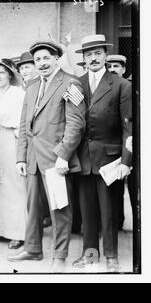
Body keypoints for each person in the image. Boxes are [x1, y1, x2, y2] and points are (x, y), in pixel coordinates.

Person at [7, 40, 86, 273]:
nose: (41, 63)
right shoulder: (31, 87)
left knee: (59, 209)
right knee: (33, 207)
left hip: (56, 160)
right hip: (32, 159)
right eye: (38, 59)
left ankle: (59, 256)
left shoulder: (71, 84)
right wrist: (21, 157)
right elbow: (24, 126)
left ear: (56, 59)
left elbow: (76, 124)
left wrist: (63, 156)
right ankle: (33, 249)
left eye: (46, 58)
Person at [72, 35, 132, 272]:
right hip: (83, 158)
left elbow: (128, 126)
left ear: (105, 56)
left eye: (97, 53)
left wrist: (126, 161)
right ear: (84, 59)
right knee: (87, 212)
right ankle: (90, 253)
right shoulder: (76, 84)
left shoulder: (121, 85)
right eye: (88, 55)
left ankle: (111, 256)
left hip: (110, 159)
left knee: (109, 210)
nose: (93, 58)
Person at [0, 59, 27, 250]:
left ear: (10, 75)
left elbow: (19, 118)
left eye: (2, 72)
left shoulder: (18, 93)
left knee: (14, 184)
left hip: (10, 137)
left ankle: (17, 232)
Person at [106, 54, 129, 231]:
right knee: (112, 188)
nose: (112, 70)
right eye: (110, 66)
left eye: (116, 66)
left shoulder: (128, 88)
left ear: (123, 69)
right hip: (111, 147)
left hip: (129, 145)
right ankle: (114, 223)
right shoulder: (106, 89)